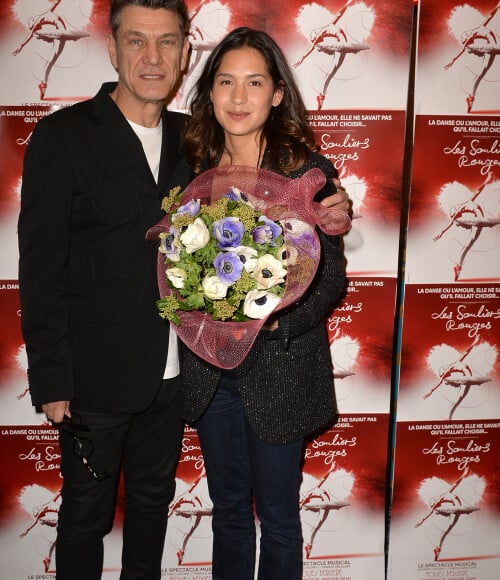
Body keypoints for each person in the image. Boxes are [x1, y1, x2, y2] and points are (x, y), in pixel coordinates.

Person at [17, 1, 192, 578]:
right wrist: (51, 377)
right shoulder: (62, 136)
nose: (152, 57)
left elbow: (272, 165)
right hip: (92, 381)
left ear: (185, 53)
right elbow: (41, 268)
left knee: (151, 511)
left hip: (174, 379)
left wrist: (327, 199)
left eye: (167, 42)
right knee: (85, 519)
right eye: (137, 41)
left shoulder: (196, 140)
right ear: (113, 48)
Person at [180, 27, 349, 579]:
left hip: (280, 368)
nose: (238, 96)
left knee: (277, 516)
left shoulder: (306, 173)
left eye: (254, 83)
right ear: (210, 92)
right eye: (225, 82)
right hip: (210, 374)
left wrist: (272, 323)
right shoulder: (191, 170)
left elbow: (329, 280)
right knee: (228, 512)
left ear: (277, 94)